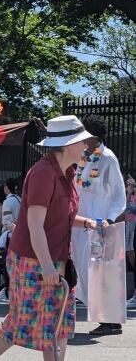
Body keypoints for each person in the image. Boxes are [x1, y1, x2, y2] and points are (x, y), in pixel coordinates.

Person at [0, 115, 101, 361]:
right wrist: (46, 266)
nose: (86, 146)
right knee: (19, 323)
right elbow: (35, 225)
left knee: (58, 325)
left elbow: (61, 217)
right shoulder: (43, 173)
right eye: (81, 141)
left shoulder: (67, 172)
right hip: (32, 259)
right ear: (67, 145)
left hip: (55, 258)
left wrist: (88, 222)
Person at [68, 114, 127, 336]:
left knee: (100, 272)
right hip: (81, 225)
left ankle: (111, 321)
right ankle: (101, 316)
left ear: (94, 135)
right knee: (84, 270)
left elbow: (119, 195)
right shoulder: (83, 157)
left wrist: (109, 220)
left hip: (100, 225)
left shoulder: (108, 158)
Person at [116, 177, 136, 307]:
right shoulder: (130, 196)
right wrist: (128, 193)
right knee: (132, 262)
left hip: (134, 228)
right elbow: (124, 209)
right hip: (128, 228)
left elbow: (131, 209)